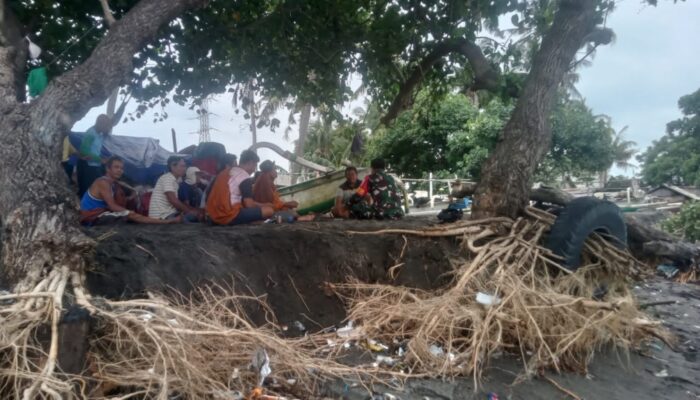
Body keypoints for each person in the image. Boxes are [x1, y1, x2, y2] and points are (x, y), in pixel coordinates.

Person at [79, 156, 177, 225]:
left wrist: (132, 197)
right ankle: (165, 222)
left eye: (121, 168)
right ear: (108, 169)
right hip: (91, 218)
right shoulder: (102, 182)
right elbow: (112, 206)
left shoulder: (115, 184)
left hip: (100, 214)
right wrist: (129, 213)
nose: (120, 170)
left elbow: (123, 200)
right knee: (129, 216)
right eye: (116, 167)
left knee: (130, 214)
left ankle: (158, 221)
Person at [206, 150, 274, 225]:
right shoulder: (244, 176)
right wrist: (265, 205)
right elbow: (249, 205)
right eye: (255, 166)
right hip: (227, 215)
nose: (254, 170)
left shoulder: (226, 172)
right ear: (250, 163)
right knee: (269, 210)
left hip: (212, 215)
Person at [249, 160, 315, 222]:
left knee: (290, 211)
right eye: (274, 169)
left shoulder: (267, 181)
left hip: (270, 211)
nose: (276, 171)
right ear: (269, 172)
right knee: (290, 214)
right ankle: (299, 218)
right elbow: (270, 205)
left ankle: (298, 217)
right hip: (267, 214)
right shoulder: (265, 181)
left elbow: (273, 203)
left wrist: (286, 205)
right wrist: (286, 204)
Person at [149, 156, 204, 222]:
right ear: (172, 167)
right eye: (182, 166)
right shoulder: (167, 178)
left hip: (168, 214)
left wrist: (194, 210)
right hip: (162, 216)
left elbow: (177, 202)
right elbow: (173, 200)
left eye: (185, 166)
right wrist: (190, 211)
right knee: (195, 217)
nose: (184, 169)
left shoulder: (175, 180)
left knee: (198, 215)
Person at [77, 114, 112, 197]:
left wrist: (102, 159)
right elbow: (84, 151)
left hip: (95, 165)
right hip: (87, 166)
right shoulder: (91, 133)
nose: (107, 128)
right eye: (106, 126)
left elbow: (95, 150)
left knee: (95, 190)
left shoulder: (100, 134)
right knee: (86, 191)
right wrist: (100, 160)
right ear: (100, 123)